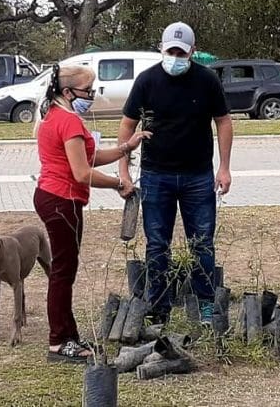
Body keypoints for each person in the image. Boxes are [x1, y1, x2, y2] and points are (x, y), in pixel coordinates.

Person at [117, 22, 233, 326]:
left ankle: (206, 306)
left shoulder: (207, 81)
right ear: (161, 48)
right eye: (171, 51)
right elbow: (127, 125)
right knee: (157, 244)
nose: (176, 56)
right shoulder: (146, 81)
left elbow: (223, 121)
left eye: (182, 52)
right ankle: (158, 307)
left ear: (192, 51)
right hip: (156, 175)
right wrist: (123, 170)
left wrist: (224, 167)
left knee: (202, 243)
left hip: (198, 176)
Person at [33, 65, 151, 363]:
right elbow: (83, 172)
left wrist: (126, 147)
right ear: (68, 92)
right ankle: (59, 342)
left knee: (64, 270)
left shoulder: (58, 116)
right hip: (62, 201)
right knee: (62, 272)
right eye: (88, 91)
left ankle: (67, 334)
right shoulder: (69, 122)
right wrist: (117, 184)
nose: (92, 96)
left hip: (54, 198)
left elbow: (90, 156)